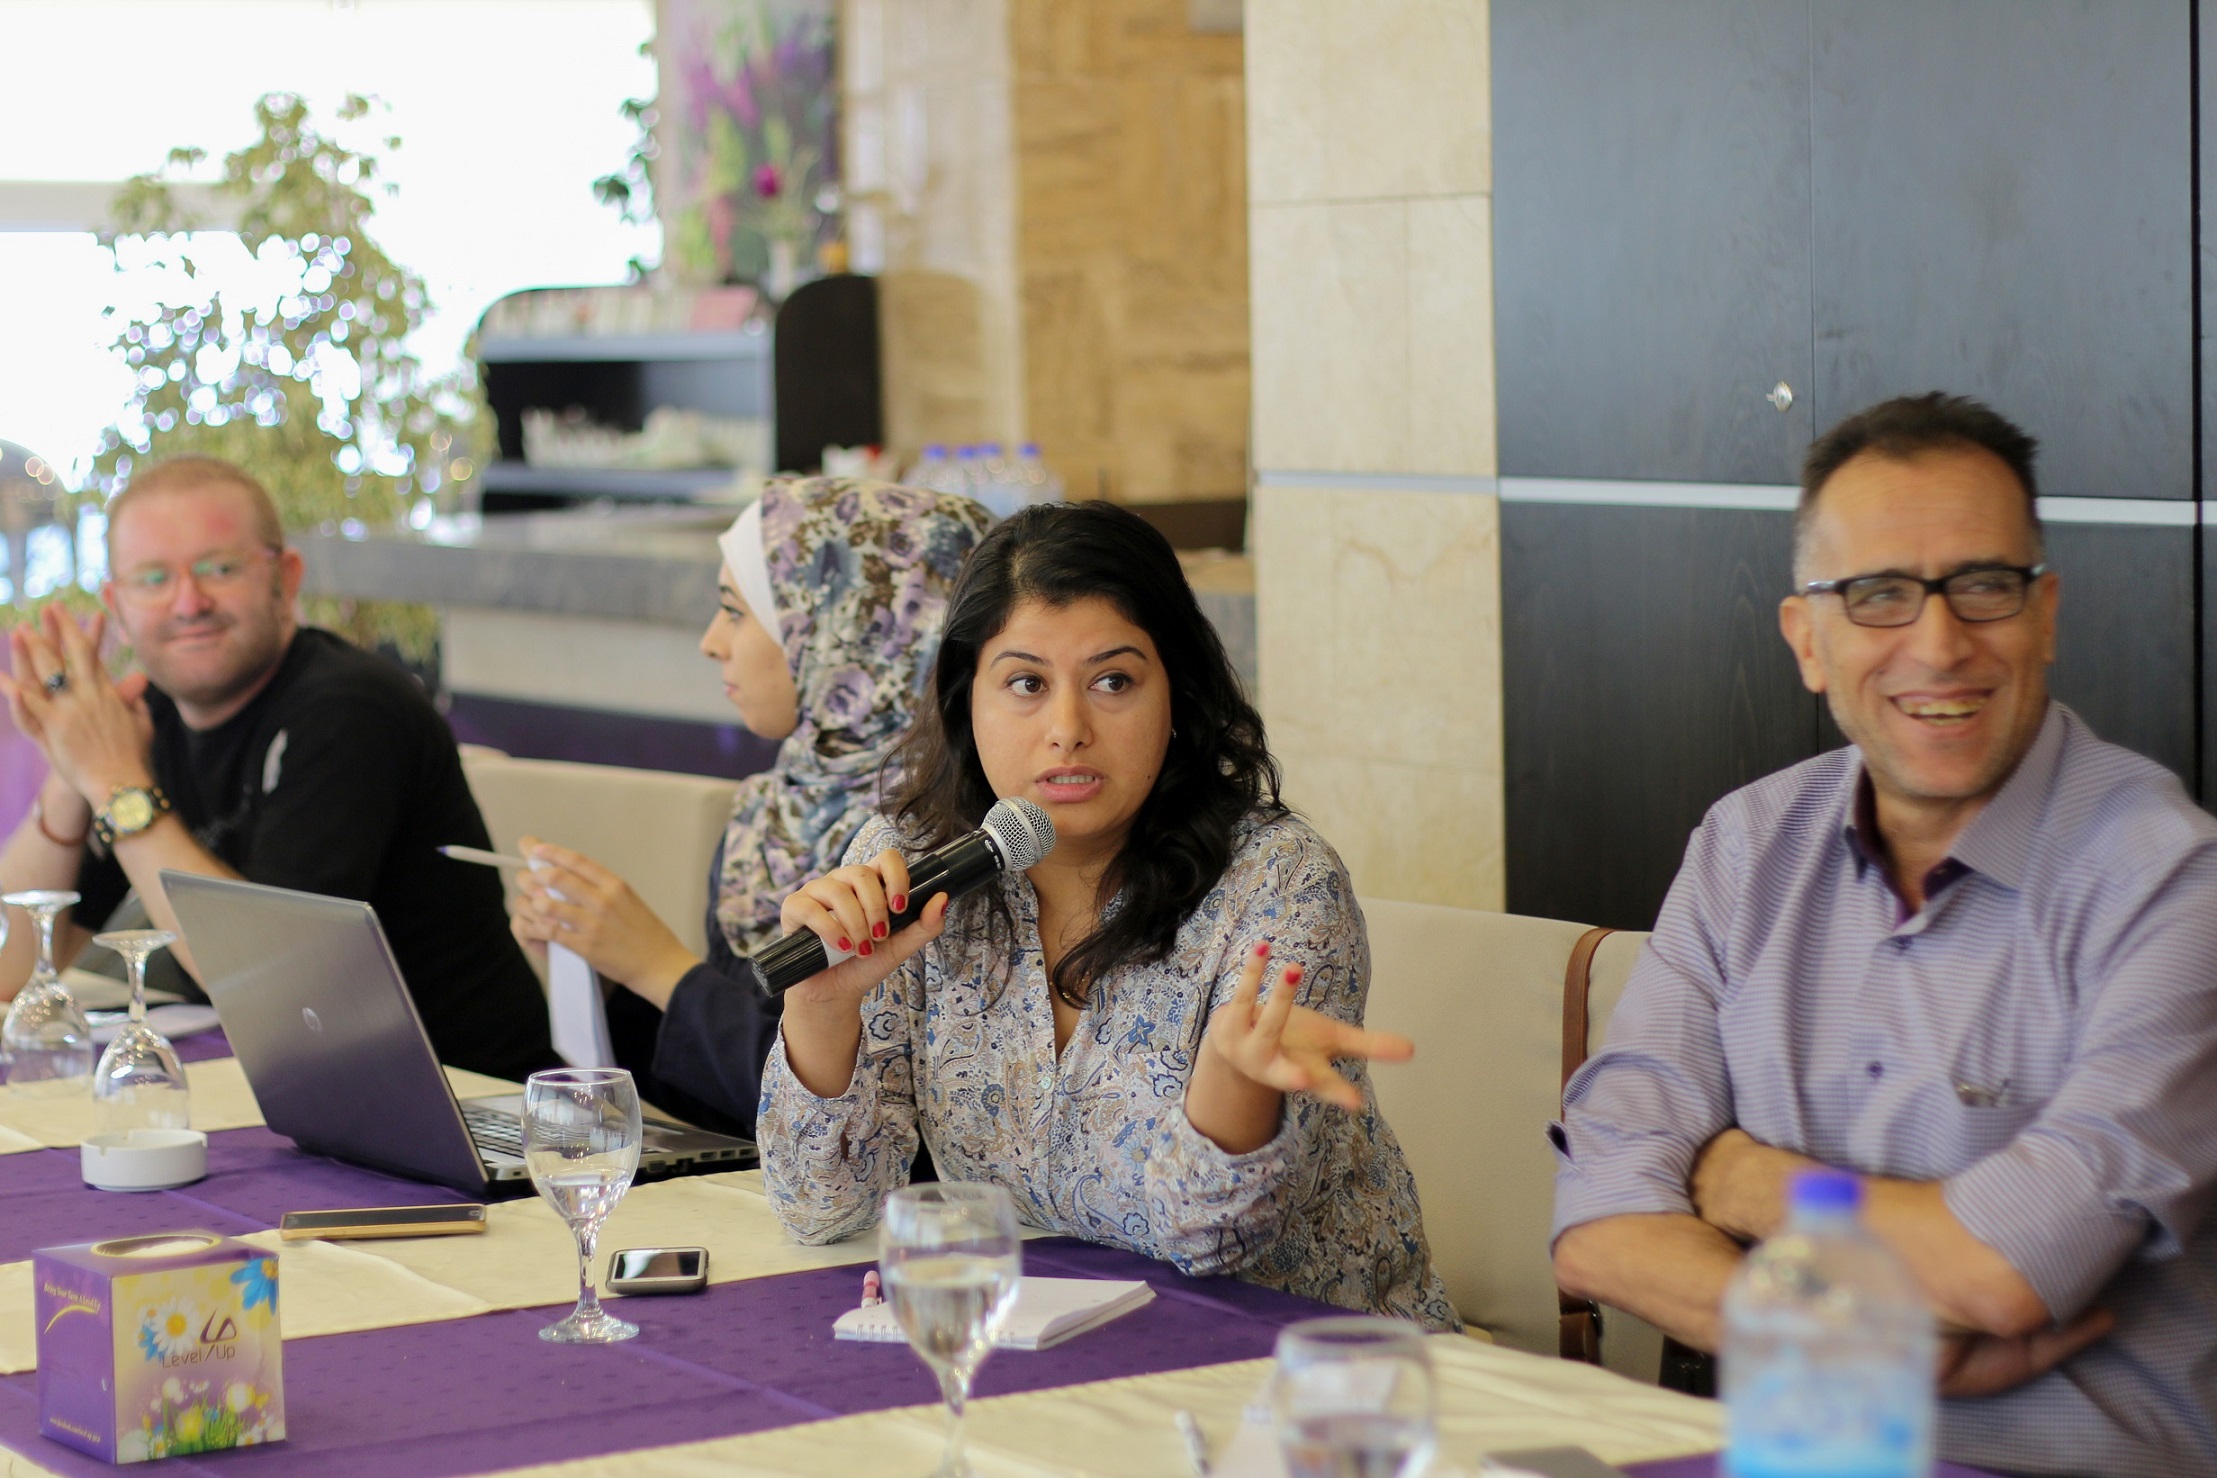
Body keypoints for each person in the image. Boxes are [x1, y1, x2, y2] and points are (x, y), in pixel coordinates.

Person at [1550, 393, 2217, 1476]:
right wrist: (1850, 1340)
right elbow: (1597, 1222)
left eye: (1984, 585)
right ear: (1807, 639)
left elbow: (1999, 1273)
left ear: (2046, 613)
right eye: (1878, 596)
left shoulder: (2174, 886)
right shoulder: (1746, 845)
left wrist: (1741, 1178)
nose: (1939, 644)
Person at [753, 500, 1457, 1328]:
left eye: (1112, 682)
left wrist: (1229, 1082)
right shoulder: (908, 867)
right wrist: (820, 1008)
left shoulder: (1278, 883)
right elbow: (821, 1209)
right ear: (965, 698)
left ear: (1177, 694)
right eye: (1025, 684)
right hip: (1046, 1350)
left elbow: (1216, 1244)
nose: (1067, 730)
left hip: (1305, 1361)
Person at [0, 455, 551, 1080]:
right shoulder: (147, 722)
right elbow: (13, 970)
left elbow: (272, 988)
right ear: (118, 607)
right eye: (153, 579)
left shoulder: (350, 709)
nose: (189, 602)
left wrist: (114, 783)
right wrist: (72, 768)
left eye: (220, 568)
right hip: (287, 1082)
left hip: (465, 1098)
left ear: (284, 581)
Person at [508, 477, 989, 1137]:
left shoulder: (946, 843)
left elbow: (854, 1117)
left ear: (845, 626)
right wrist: (606, 969)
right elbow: (712, 1106)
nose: (711, 641)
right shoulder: (773, 814)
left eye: (735, 611)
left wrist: (660, 967)